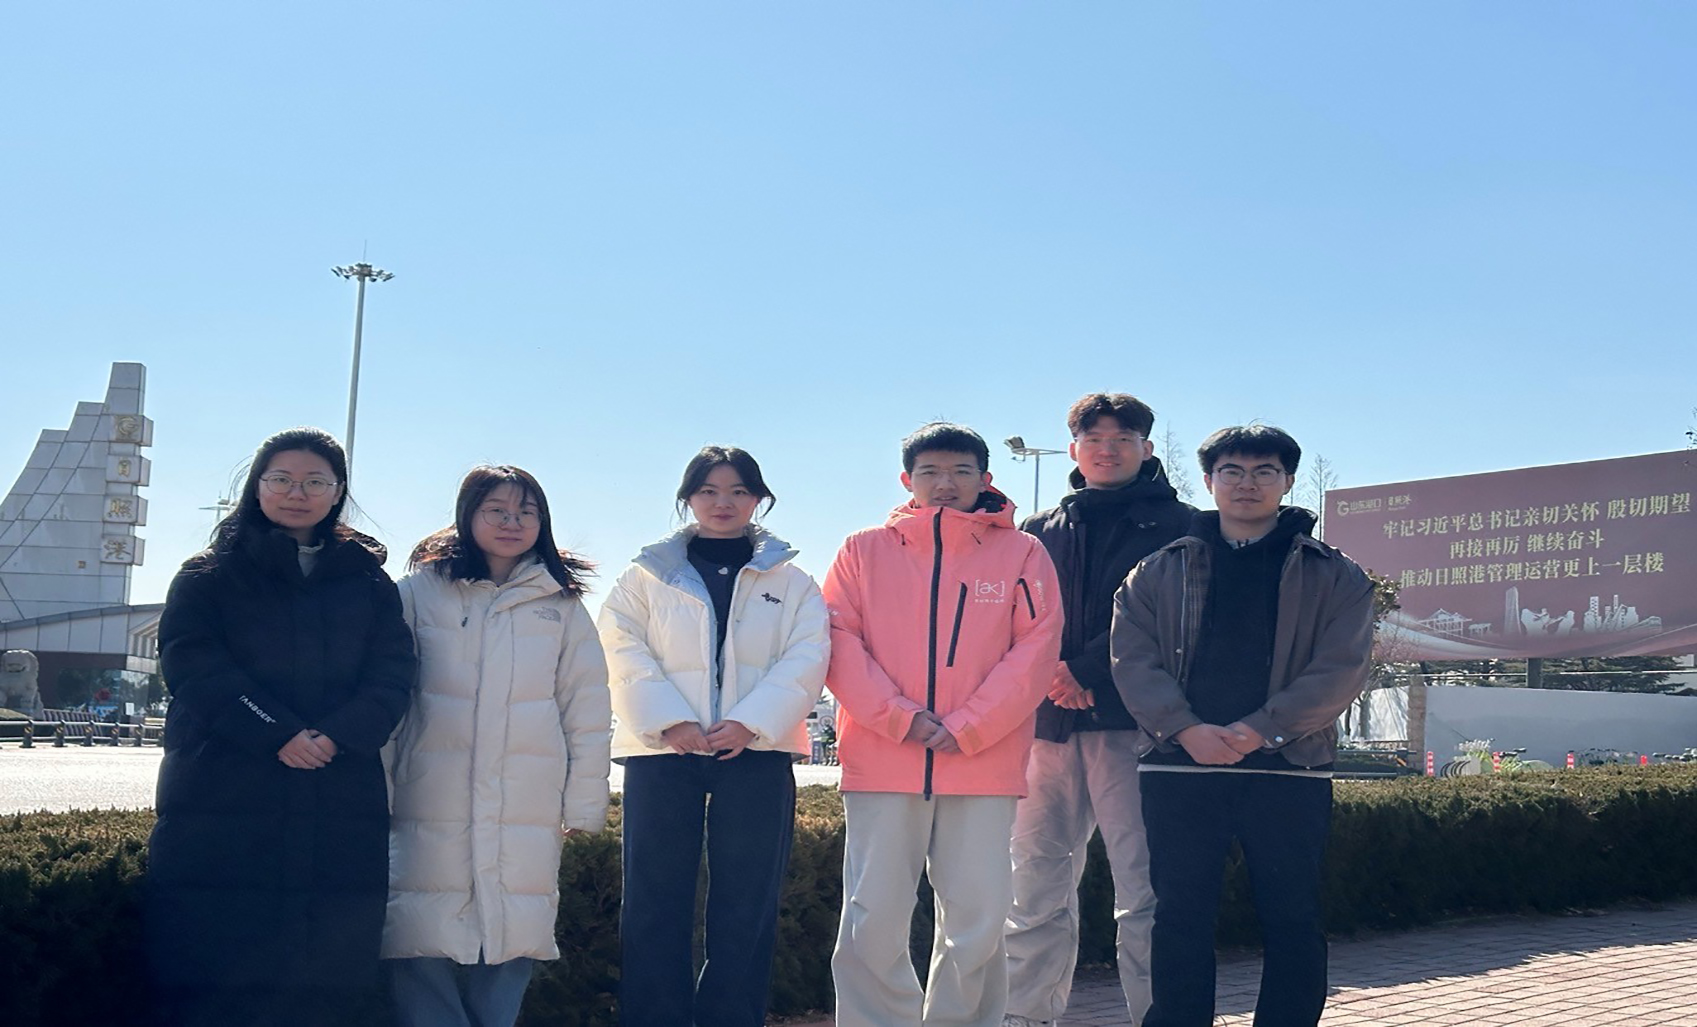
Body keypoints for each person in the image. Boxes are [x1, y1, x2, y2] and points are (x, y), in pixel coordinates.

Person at [147, 427, 415, 1027]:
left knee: (327, 972)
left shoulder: (367, 580)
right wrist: (276, 732)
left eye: (316, 481)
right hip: (224, 794)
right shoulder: (208, 575)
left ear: (338, 491)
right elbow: (193, 665)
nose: (298, 493)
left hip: (338, 795)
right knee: (216, 966)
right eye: (282, 479)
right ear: (257, 486)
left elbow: (393, 673)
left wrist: (337, 734)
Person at [1111, 424, 1374, 1027]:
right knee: (1179, 914)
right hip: (1179, 767)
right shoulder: (1158, 571)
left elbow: (1341, 668)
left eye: (1264, 472)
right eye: (1232, 471)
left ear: (1287, 481)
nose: (1247, 484)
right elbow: (1132, 660)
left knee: (1292, 915)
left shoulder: (1334, 574)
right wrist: (1185, 729)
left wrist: (1261, 729)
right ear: (1209, 481)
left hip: (1289, 769)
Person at [825, 422, 1064, 1027]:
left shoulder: (1023, 552)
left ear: (986, 478)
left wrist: (969, 726)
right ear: (907, 480)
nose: (945, 483)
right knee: (872, 914)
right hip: (882, 760)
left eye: (961, 471)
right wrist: (900, 718)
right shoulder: (862, 549)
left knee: (979, 919)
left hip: (983, 762)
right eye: (930, 471)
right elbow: (837, 641)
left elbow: (1037, 649)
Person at [597, 445, 829, 1027]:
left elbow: (807, 656)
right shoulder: (644, 576)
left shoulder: (793, 581)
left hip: (757, 752)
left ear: (758, 499)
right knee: (653, 897)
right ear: (687, 498)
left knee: (748, 900)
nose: (723, 502)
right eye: (708, 491)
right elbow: (620, 648)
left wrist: (751, 722)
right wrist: (668, 718)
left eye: (738, 491)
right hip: (662, 751)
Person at [382, 465, 612, 1027]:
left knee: (514, 932)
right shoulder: (417, 593)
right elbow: (387, 700)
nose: (512, 522)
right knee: (418, 931)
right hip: (430, 793)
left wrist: (584, 802)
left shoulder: (561, 604)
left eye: (525, 513)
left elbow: (586, 709)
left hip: (525, 801)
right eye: (497, 511)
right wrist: (375, 789)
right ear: (467, 515)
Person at [1003, 393, 1195, 1027]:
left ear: (1147, 447)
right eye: (1094, 439)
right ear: (1074, 449)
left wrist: (1085, 671)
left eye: (1122, 438)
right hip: (1048, 728)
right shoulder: (1036, 532)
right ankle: (1026, 1015)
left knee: (1144, 891)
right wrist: (1053, 676)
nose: (1107, 450)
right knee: (1033, 887)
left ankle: (1157, 1015)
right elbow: (1015, 620)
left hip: (1136, 728)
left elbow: (1173, 624)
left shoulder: (1185, 527)